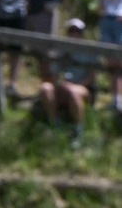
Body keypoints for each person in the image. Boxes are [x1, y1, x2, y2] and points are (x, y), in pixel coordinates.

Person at [35, 18, 97, 147]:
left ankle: (78, 131)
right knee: (45, 88)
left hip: (83, 88)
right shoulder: (61, 49)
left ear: (82, 33)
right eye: (71, 30)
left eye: (77, 31)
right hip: (63, 86)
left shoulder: (89, 51)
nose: (73, 33)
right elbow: (54, 74)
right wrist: (59, 84)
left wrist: (74, 86)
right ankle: (55, 124)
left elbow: (91, 77)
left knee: (73, 92)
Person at [97, 0, 122, 112]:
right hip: (107, 21)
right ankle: (115, 99)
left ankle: (119, 99)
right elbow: (100, 6)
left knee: (120, 63)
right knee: (111, 63)